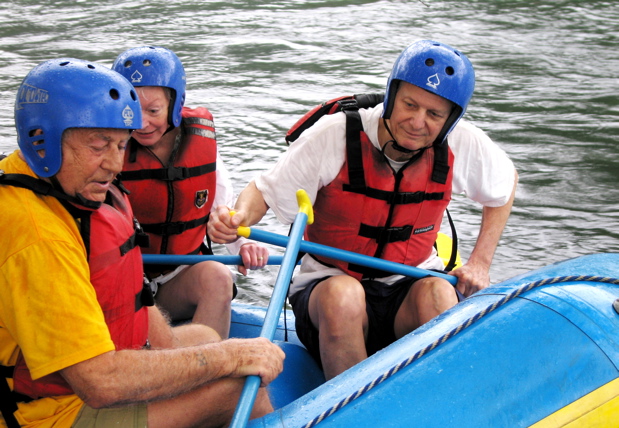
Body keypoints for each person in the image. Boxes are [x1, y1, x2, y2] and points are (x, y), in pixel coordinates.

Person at [208, 40, 518, 380]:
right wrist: (238, 218)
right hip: (329, 287)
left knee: (441, 294)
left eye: (433, 114)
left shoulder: (463, 143)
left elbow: (504, 186)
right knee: (345, 297)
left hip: (408, 283)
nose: (417, 122)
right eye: (409, 105)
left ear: (450, 120)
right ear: (391, 95)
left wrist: (480, 263)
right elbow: (264, 191)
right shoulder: (335, 134)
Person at [0, 58, 284, 428]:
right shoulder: (36, 235)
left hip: (83, 380)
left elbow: (133, 298)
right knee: (235, 389)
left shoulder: (62, 189)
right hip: (50, 413)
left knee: (203, 335)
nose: (115, 164)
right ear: (44, 137)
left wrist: (204, 352)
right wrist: (227, 358)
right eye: (99, 145)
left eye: (121, 145)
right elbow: (100, 382)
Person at [111, 46, 269, 338]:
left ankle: (206, 372)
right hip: (123, 280)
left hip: (178, 277)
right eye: (133, 110)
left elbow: (221, 212)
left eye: (154, 110)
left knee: (218, 276)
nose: (142, 122)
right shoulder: (107, 147)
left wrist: (241, 245)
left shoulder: (200, 142)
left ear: (175, 103)